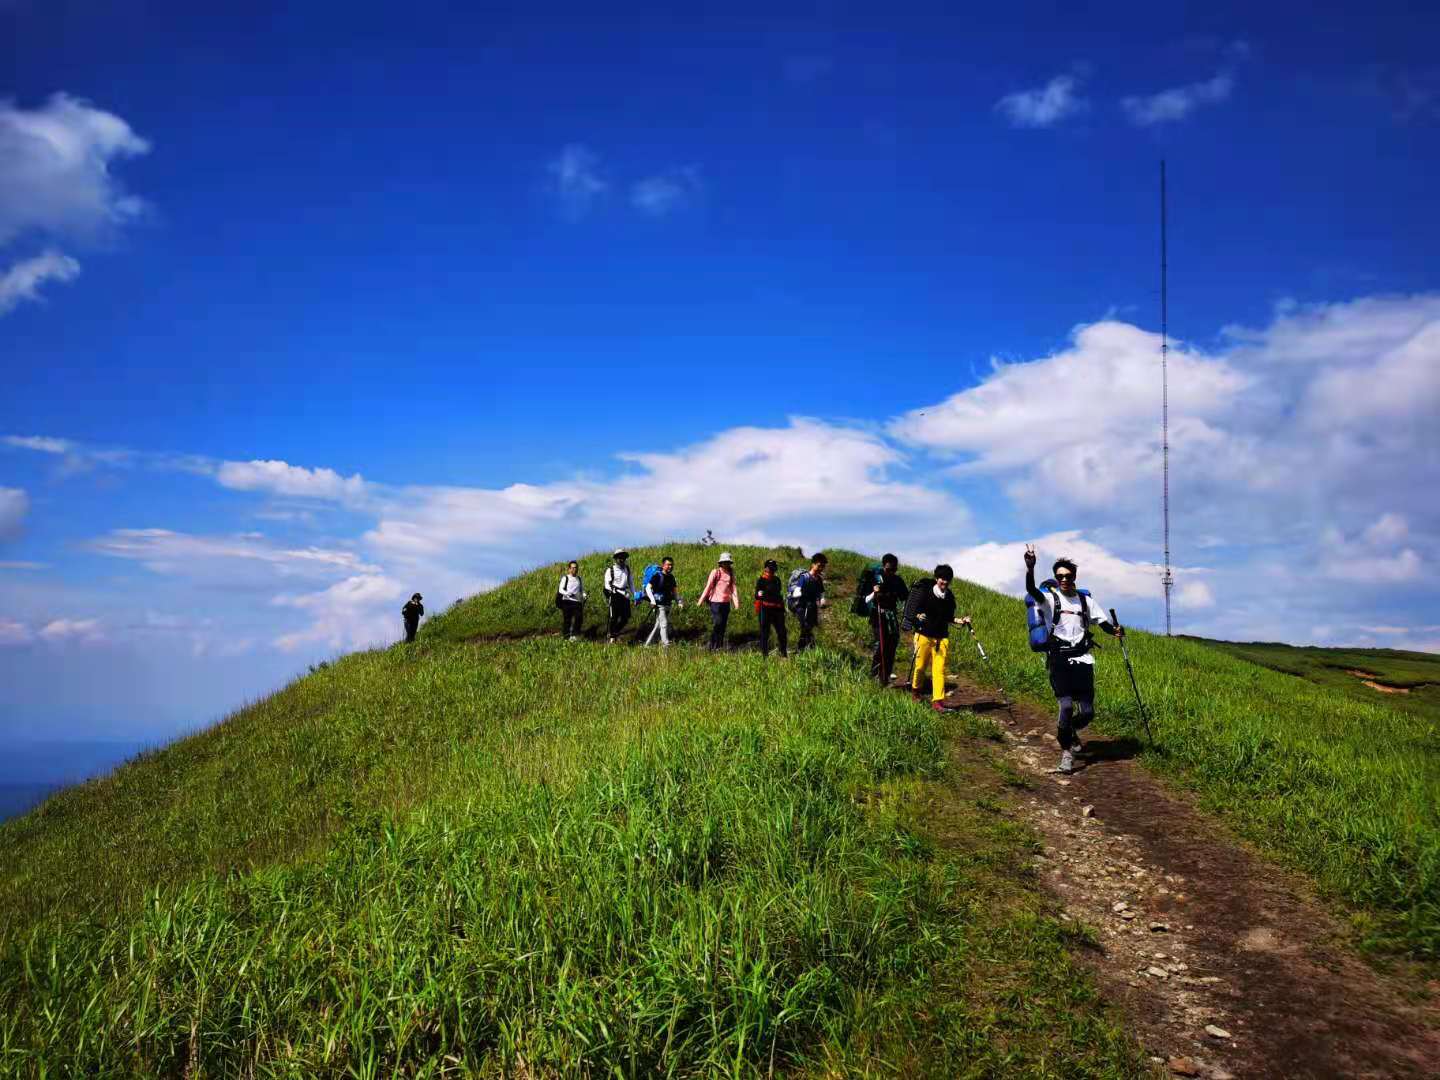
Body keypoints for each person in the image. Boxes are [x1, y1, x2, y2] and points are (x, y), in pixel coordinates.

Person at [1024, 545, 1124, 774]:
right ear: (1056, 579)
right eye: (1060, 577)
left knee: (1087, 712)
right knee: (1067, 705)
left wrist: (1114, 631)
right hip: (1059, 658)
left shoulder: (1084, 601)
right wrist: (1030, 567)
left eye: (1068, 576)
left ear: (1074, 577)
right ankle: (1066, 753)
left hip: (1083, 659)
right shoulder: (1049, 599)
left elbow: (1102, 622)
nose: (1064, 580)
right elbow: (1031, 588)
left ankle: (1068, 731)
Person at [910, 565, 972, 711]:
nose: (944, 582)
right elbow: (916, 610)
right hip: (923, 635)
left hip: (941, 638)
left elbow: (949, 617)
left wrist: (961, 620)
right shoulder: (925, 592)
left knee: (939, 670)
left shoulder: (950, 597)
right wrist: (919, 616)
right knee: (920, 666)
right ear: (936, 578)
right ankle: (915, 691)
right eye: (942, 579)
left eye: (947, 580)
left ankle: (938, 701)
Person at [863, 553, 908, 682]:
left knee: (892, 645)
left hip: (892, 616)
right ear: (883, 566)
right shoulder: (875, 578)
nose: (891, 572)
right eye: (889, 569)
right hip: (877, 615)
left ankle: (885, 676)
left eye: (894, 569)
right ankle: (874, 674)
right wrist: (874, 592)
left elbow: (905, 598)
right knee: (880, 644)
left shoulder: (898, 580)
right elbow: (865, 599)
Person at [696, 551, 742, 650]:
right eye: (724, 562)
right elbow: (708, 587)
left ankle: (719, 646)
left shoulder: (731, 573)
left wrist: (736, 603)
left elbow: (733, 589)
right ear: (720, 562)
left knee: (723, 625)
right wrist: (700, 601)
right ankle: (711, 644)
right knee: (718, 622)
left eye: (728, 562)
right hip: (715, 603)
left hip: (726, 603)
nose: (726, 564)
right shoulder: (715, 572)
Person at [791, 552, 828, 652]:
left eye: (823, 567)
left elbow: (821, 592)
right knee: (805, 626)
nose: (821, 568)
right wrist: (798, 593)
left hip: (812, 607)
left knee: (808, 628)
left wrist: (822, 599)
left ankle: (800, 649)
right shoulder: (805, 577)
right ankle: (811, 647)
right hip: (801, 606)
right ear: (813, 564)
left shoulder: (819, 579)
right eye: (819, 566)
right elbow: (798, 589)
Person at [643, 556, 682, 647]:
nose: (670, 567)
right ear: (663, 565)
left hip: (668, 604)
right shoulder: (657, 576)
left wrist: (679, 601)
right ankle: (666, 644)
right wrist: (652, 601)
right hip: (659, 605)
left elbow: (675, 592)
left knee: (658, 625)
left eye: (672, 565)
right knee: (664, 624)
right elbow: (648, 588)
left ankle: (647, 644)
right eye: (668, 565)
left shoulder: (671, 577)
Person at [754, 558, 788, 658]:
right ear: (765, 568)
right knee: (765, 633)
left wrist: (782, 609)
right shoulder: (761, 580)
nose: (771, 570)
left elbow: (779, 593)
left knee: (782, 632)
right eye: (769, 568)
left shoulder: (777, 580)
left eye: (773, 568)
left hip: (778, 609)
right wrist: (759, 594)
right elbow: (757, 595)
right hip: (765, 609)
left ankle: (783, 653)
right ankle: (764, 656)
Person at [602, 549, 633, 643]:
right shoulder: (610, 570)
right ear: (616, 559)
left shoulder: (627, 569)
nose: (622, 559)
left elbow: (630, 582)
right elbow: (607, 584)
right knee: (614, 617)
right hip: (615, 594)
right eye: (620, 557)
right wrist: (612, 591)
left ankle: (615, 632)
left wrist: (634, 594)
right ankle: (612, 637)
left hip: (625, 594)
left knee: (625, 617)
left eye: (623, 557)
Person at [556, 560, 586, 641]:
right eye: (572, 568)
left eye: (575, 568)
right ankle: (566, 637)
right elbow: (560, 590)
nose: (574, 570)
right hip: (567, 601)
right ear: (569, 569)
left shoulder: (579, 579)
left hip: (577, 601)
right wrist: (568, 593)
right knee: (567, 619)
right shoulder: (565, 578)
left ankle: (575, 634)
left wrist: (584, 595)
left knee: (579, 617)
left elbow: (581, 590)